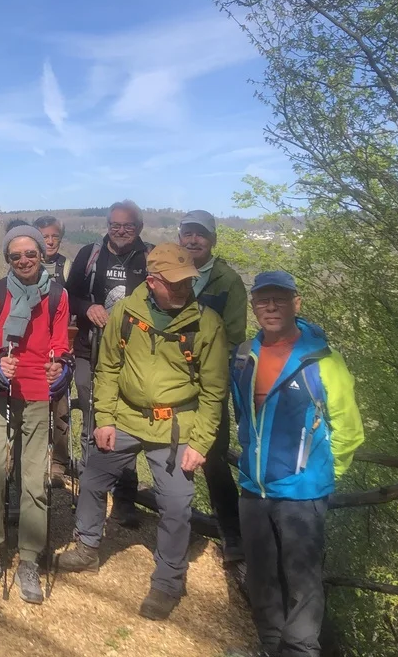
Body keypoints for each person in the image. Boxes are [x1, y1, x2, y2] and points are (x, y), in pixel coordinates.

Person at [58, 243, 228, 622]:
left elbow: (215, 390)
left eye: (188, 282)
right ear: (152, 282)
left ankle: (168, 580)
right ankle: (87, 548)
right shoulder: (126, 313)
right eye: (175, 283)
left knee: (177, 503)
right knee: (92, 478)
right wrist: (103, 419)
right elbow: (109, 369)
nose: (184, 289)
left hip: (176, 425)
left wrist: (200, 442)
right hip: (125, 417)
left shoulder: (207, 323)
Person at [232, 271, 363, 657]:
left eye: (280, 299)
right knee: (261, 578)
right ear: (254, 306)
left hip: (302, 493)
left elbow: (349, 429)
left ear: (296, 303)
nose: (271, 307)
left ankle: (301, 651)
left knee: (303, 583)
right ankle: (270, 646)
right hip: (253, 488)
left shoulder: (323, 360)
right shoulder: (244, 354)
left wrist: (320, 475)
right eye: (263, 301)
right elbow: (244, 416)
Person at [0, 225, 71, 605]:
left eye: (31, 253)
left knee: (33, 477)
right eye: (16, 256)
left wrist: (59, 367)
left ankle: (29, 557)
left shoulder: (58, 295)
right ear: (8, 260)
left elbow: (60, 344)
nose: (25, 260)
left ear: (41, 255)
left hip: (36, 392)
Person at [63, 200, 150, 526]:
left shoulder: (150, 258)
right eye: (115, 225)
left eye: (128, 226)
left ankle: (125, 500)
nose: (121, 231)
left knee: (125, 426)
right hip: (89, 351)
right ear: (107, 225)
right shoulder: (90, 255)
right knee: (90, 421)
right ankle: (90, 497)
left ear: (139, 227)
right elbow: (68, 295)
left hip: (133, 358)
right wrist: (87, 308)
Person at [178, 210, 248, 567]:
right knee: (172, 453)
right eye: (187, 234)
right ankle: (180, 522)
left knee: (214, 458)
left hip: (209, 381)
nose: (192, 241)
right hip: (173, 380)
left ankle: (231, 533)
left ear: (212, 240)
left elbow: (236, 335)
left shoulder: (227, 281)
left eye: (199, 236)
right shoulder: (171, 272)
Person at [35, 215, 72, 484]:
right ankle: (28, 455)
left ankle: (59, 461)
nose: (49, 241)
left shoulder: (66, 266)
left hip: (58, 344)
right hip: (32, 346)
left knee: (60, 403)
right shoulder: (25, 260)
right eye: (44, 236)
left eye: (54, 237)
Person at [34, 215, 69, 285]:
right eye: (45, 237)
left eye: (55, 237)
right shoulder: (26, 265)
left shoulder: (69, 268)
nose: (50, 242)